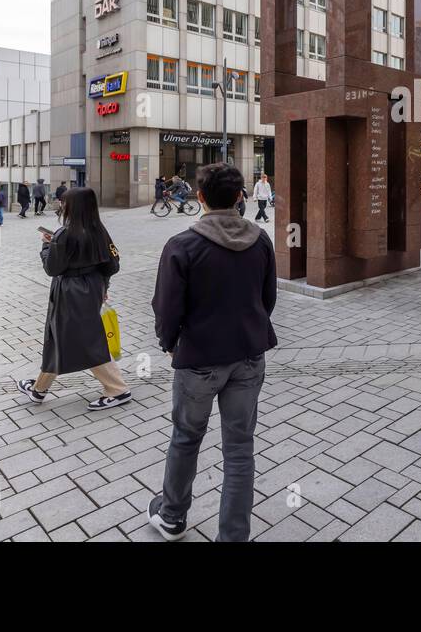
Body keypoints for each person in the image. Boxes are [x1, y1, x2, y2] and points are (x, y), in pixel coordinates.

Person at [149, 164, 277, 542]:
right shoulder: (261, 240)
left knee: (186, 437)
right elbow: (267, 299)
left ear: (199, 197)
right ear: (241, 197)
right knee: (240, 449)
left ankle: (172, 517)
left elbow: (166, 308)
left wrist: (170, 342)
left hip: (199, 358)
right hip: (249, 354)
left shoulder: (182, 245)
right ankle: (233, 536)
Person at [17, 187, 130, 411]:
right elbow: (112, 265)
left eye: (64, 202)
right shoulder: (99, 229)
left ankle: (117, 389)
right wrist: (103, 286)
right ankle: (39, 389)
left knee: (80, 339)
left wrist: (47, 245)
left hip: (70, 291)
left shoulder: (64, 234)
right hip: (93, 287)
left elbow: (52, 268)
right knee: (64, 337)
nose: (61, 205)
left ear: (72, 206)